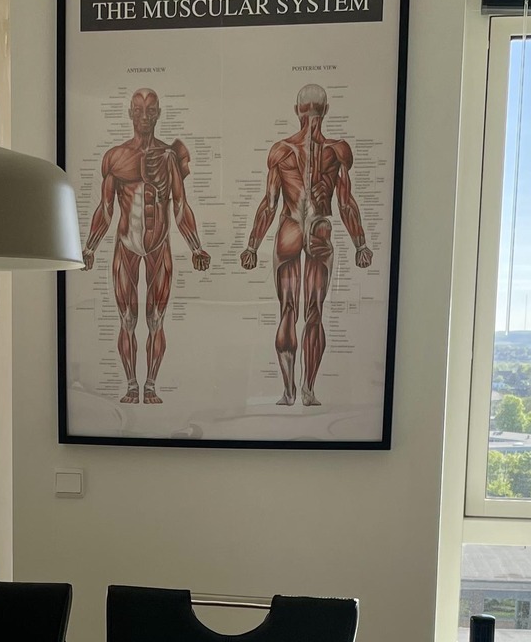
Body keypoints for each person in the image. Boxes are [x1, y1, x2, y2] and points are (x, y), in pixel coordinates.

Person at [240, 83, 373, 407]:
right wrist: (360, 244)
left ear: (296, 111)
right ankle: (308, 391)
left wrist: (252, 246)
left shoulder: (282, 150)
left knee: (287, 310)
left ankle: (288, 392)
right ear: (325, 110)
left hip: (289, 229)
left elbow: (269, 204)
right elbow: (345, 203)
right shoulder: (337, 151)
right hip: (319, 229)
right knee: (315, 312)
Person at [81, 88, 210, 405]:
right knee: (127, 319)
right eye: (138, 109)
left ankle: (150, 385)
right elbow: (106, 209)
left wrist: (196, 247)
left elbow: (180, 205)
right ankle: (130, 385)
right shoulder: (115, 157)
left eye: (150, 110)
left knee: (155, 320)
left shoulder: (169, 157)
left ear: (158, 114)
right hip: (126, 244)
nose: (144, 115)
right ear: (130, 113)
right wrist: (90, 247)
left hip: (159, 245)